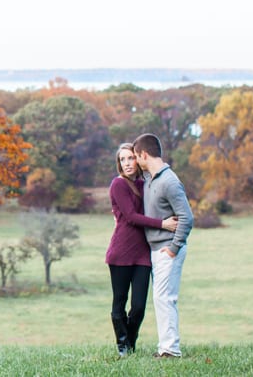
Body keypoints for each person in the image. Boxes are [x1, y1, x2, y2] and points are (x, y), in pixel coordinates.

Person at [105, 143, 178, 357]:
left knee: (138, 306)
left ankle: (131, 341)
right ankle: (123, 347)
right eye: (122, 160)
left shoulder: (145, 183)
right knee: (119, 302)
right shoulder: (118, 184)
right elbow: (131, 217)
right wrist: (163, 224)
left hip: (143, 254)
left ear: (138, 159)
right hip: (120, 252)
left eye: (130, 158)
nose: (127, 163)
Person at [132, 133, 194, 358]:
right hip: (156, 249)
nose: (136, 162)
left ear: (144, 154)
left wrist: (174, 248)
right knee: (161, 298)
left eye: (137, 157)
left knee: (165, 297)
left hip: (168, 248)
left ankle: (170, 350)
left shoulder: (169, 181)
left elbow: (187, 218)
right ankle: (165, 347)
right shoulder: (151, 179)